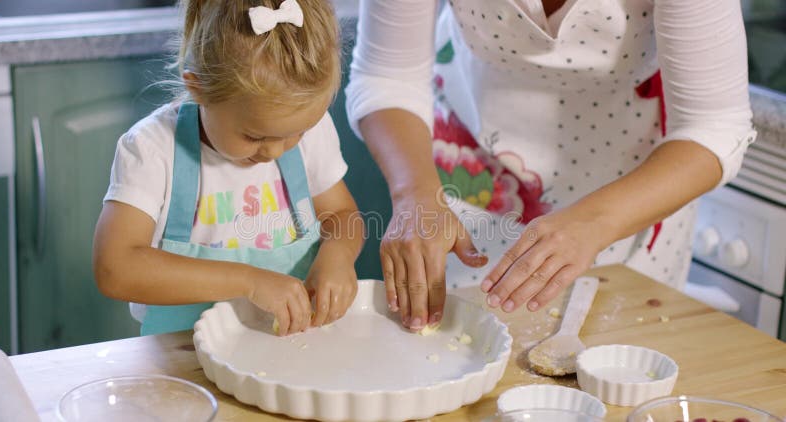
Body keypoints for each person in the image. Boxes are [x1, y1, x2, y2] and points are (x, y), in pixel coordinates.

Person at [346, 0, 755, 332]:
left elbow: (713, 125)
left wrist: (595, 223)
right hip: (469, 185)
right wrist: (414, 194)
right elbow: (388, 76)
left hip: (633, 192)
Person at [93, 0, 363, 337]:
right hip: (182, 358)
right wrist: (248, 282)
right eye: (254, 136)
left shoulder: (310, 134)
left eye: (298, 133)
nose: (276, 151)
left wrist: (338, 255)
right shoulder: (153, 150)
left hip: (285, 352)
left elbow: (342, 214)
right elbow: (115, 267)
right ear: (198, 88)